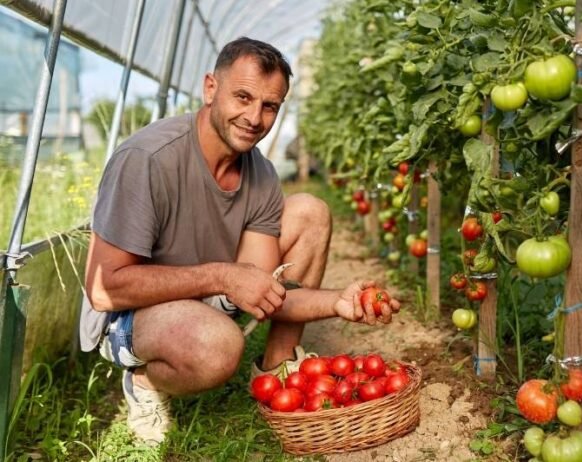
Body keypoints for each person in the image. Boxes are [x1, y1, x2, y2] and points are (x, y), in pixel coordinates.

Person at [78, 37, 399, 445]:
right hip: (129, 317)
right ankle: (144, 382)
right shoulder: (148, 159)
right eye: (243, 97)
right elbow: (105, 290)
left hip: (204, 297)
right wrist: (224, 276)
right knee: (218, 347)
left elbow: (266, 287)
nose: (254, 117)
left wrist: (337, 301)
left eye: (270, 106)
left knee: (309, 210)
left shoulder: (260, 173)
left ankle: (278, 373)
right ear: (211, 88)